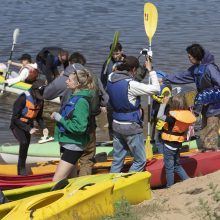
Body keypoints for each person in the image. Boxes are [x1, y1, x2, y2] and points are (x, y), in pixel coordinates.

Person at [44, 52, 108, 176]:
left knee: (69, 160)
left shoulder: (64, 79)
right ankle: (82, 186)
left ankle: (74, 185)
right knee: (87, 159)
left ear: (69, 63)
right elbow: (105, 99)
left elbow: (46, 94)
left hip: (69, 128)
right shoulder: (92, 77)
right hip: (89, 125)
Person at [106, 56, 160, 173]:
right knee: (140, 161)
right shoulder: (131, 85)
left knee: (117, 160)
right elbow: (156, 89)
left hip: (116, 124)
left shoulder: (110, 78)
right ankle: (129, 182)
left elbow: (118, 70)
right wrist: (150, 70)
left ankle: (112, 183)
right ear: (134, 69)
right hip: (131, 126)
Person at [163, 43, 220, 152]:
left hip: (215, 104)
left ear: (196, 56)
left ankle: (212, 152)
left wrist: (209, 97)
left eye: (189, 56)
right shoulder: (196, 69)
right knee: (204, 129)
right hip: (205, 104)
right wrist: (165, 78)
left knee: (211, 128)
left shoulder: (210, 68)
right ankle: (206, 149)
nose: (188, 58)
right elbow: (182, 76)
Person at [51, 69, 95, 182]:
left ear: (77, 84)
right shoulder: (74, 97)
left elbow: (80, 127)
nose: (66, 81)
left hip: (73, 145)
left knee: (57, 180)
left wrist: (60, 119)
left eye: (69, 80)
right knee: (71, 179)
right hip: (68, 142)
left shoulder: (81, 102)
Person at [156, 93, 196, 187]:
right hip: (177, 145)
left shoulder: (172, 119)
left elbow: (159, 115)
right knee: (177, 165)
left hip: (169, 146)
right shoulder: (186, 116)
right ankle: (187, 180)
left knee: (169, 168)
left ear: (174, 105)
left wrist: (163, 103)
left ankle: (170, 186)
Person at [10, 79, 49, 176]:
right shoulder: (23, 98)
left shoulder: (40, 100)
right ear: (34, 91)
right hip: (17, 125)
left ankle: (21, 167)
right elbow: (15, 118)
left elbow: (39, 117)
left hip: (29, 126)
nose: (41, 98)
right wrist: (28, 129)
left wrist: (44, 127)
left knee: (25, 147)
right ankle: (21, 171)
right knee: (23, 142)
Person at [151, 71, 172, 153]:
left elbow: (165, 100)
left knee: (159, 138)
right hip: (157, 114)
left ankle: (161, 154)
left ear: (161, 80)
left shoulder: (166, 89)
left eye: (156, 79)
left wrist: (153, 96)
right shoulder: (158, 88)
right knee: (157, 135)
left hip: (163, 117)